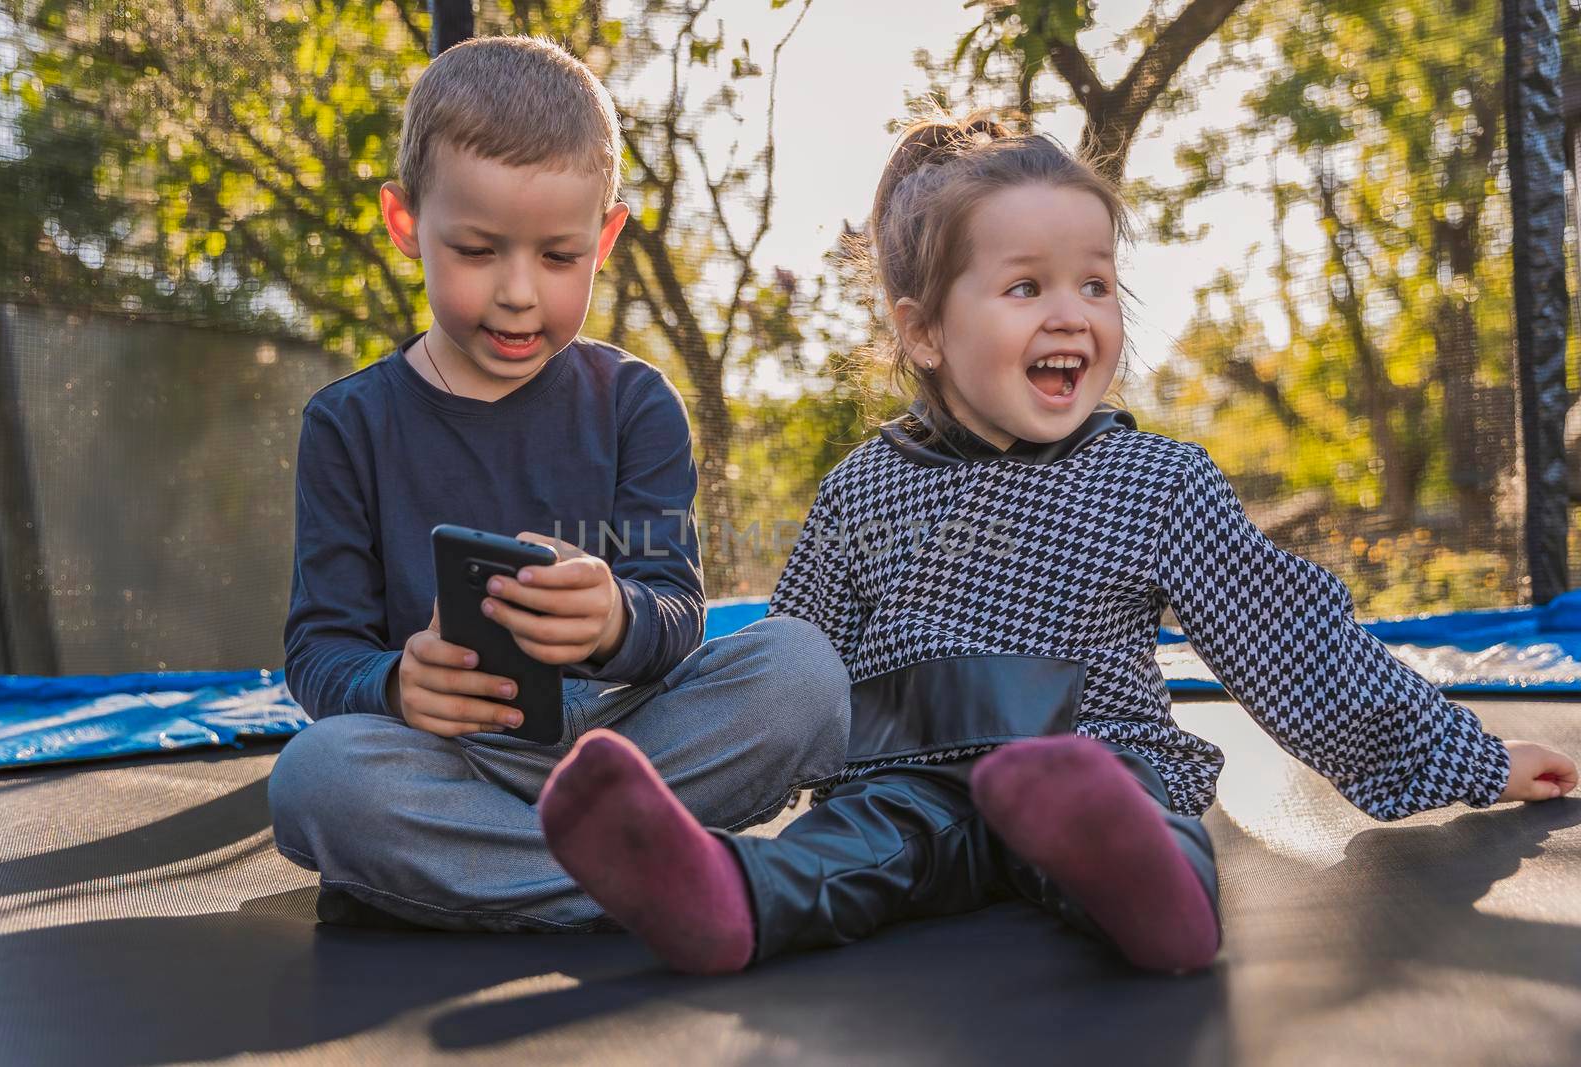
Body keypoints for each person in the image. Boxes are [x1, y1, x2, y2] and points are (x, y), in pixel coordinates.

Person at [535, 111, 1579, 974]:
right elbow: (796, 664)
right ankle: (723, 895)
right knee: (844, 850)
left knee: (1127, 806)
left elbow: (1294, 645)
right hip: (908, 780)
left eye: (1095, 282)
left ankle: (1151, 892)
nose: (1072, 314)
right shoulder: (861, 487)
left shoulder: (1153, 481)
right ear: (925, 331)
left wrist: (1472, 757)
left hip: (1094, 759)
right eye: (1026, 287)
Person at [267, 35, 850, 932]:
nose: (517, 293)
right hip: (454, 758)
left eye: (557, 257)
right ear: (404, 223)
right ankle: (656, 877)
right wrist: (394, 686)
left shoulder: (637, 404)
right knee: (316, 777)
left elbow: (673, 615)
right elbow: (320, 650)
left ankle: (489, 875)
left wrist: (617, 616)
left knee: (804, 669)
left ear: (606, 238)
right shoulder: (348, 425)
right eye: (475, 250)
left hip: (628, 740)